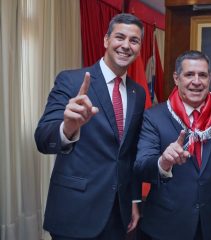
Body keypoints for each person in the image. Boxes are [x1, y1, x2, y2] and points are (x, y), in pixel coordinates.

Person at [34, 13, 146, 240]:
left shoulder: (138, 92)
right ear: (106, 40)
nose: (126, 45)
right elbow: (43, 139)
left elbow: (130, 152)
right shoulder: (71, 81)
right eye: (120, 37)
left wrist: (134, 199)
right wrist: (67, 128)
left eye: (133, 41)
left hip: (118, 213)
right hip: (75, 210)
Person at [134, 50, 211, 240]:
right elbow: (141, 166)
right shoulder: (154, 117)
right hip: (165, 224)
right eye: (189, 74)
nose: (197, 81)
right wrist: (164, 162)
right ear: (177, 78)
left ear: (210, 78)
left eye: (202, 75)